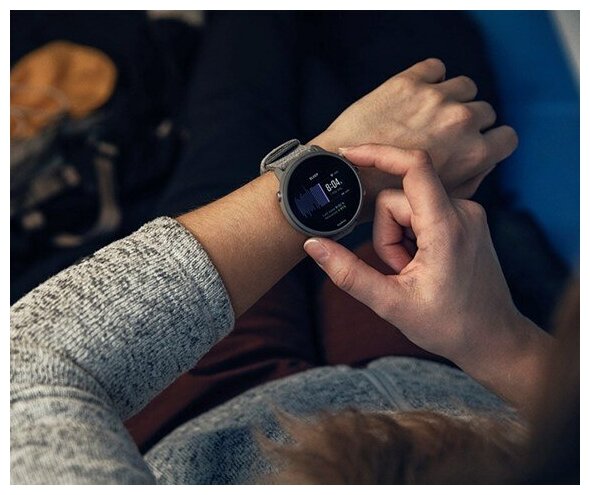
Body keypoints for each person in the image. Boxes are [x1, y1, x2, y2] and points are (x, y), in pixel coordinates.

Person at [11, 53, 561, 484]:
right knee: (459, 190)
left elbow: (20, 371)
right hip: (459, 374)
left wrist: (331, 158)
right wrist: (506, 345)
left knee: (234, 122)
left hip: (203, 398)